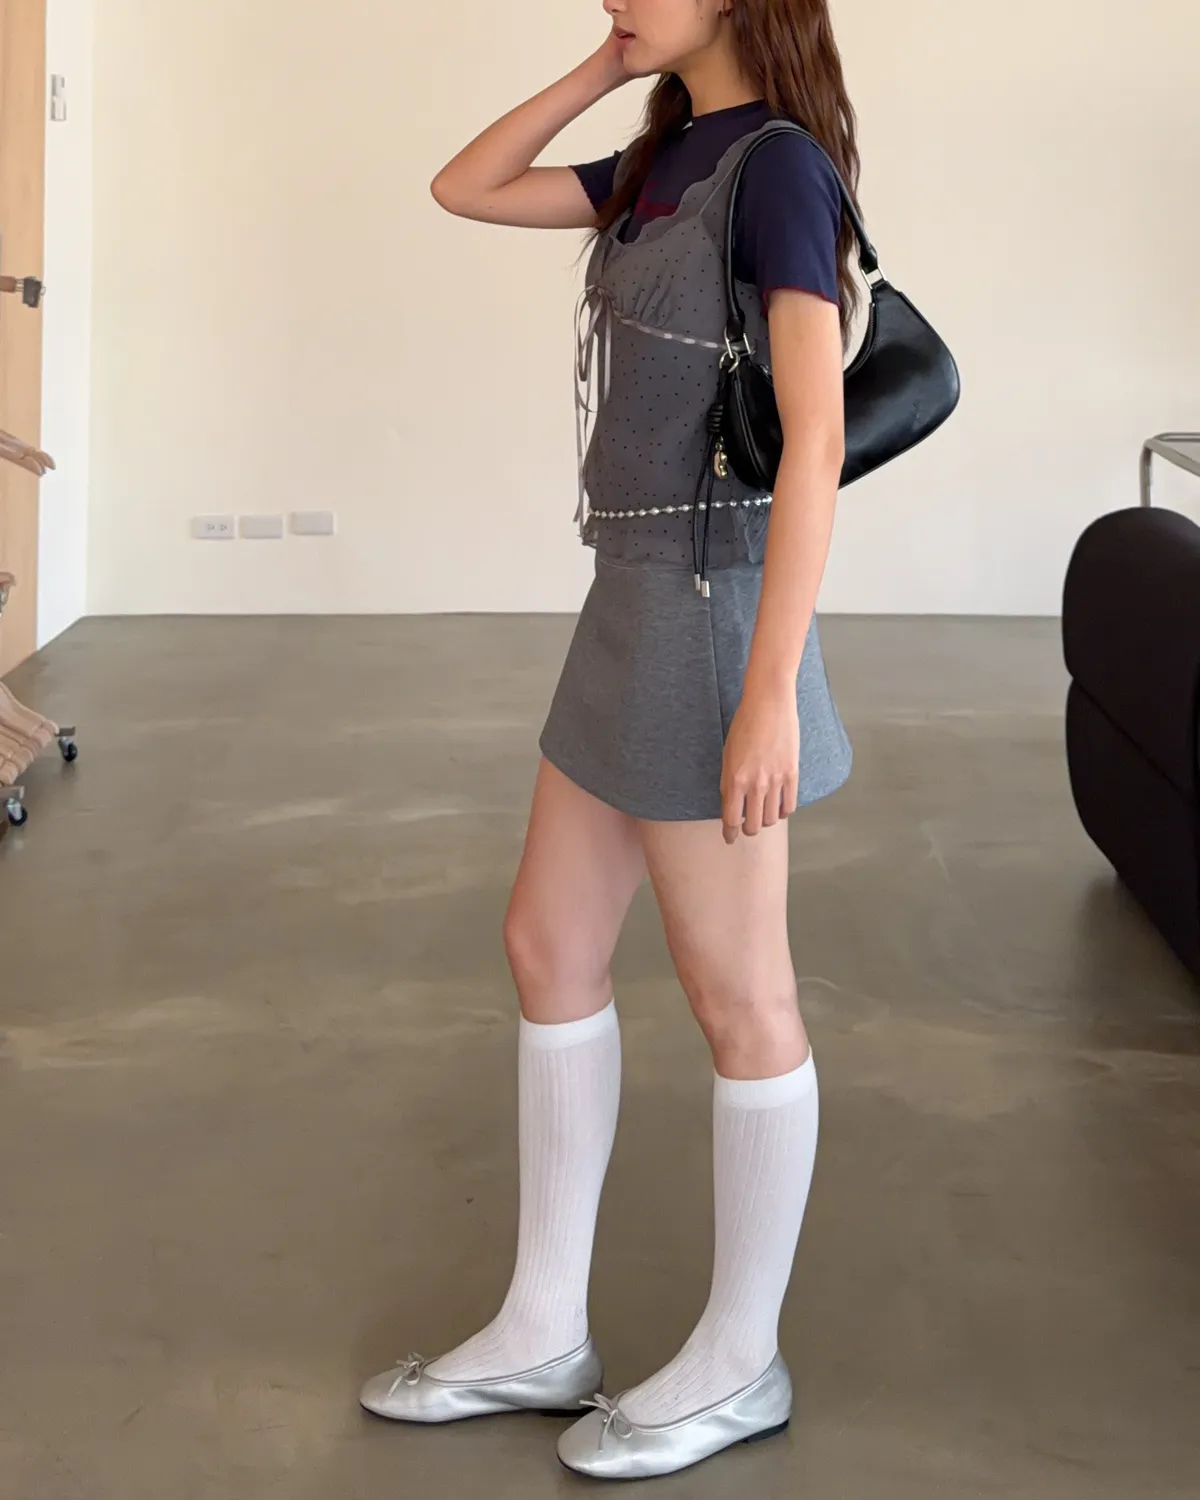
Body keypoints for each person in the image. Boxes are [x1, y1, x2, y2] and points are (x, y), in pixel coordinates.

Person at [361, 0, 861, 1479]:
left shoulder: (776, 167)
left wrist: (767, 692)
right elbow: (464, 185)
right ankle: (542, 1328)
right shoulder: (661, 155)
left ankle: (744, 1359)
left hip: (713, 615)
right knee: (548, 945)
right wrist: (609, 68)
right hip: (628, 602)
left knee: (740, 998)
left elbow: (817, 443)